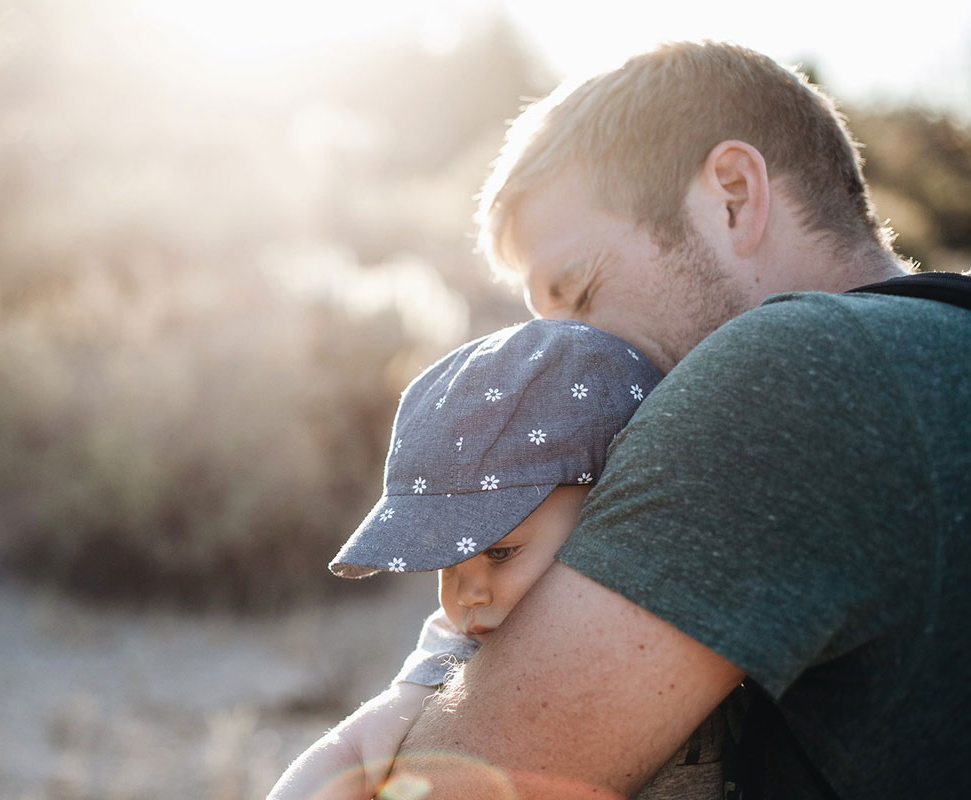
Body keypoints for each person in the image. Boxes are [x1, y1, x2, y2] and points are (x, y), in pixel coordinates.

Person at [381, 40, 971, 799]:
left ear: (731, 194)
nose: (565, 358)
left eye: (581, 293)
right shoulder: (939, 346)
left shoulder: (782, 374)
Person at [268, 318, 728, 799]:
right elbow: (353, 752)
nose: (468, 594)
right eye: (447, 564)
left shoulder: (691, 588)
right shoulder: (463, 650)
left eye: (501, 552)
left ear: (608, 508)